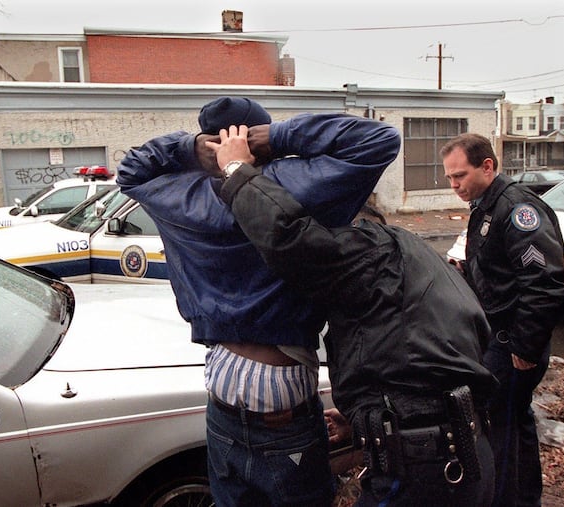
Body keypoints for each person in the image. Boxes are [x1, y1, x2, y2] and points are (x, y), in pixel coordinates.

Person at [116, 97, 400, 507]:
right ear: (259, 139)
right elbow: (378, 139)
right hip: (282, 405)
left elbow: (130, 168)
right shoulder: (298, 184)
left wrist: (189, 147)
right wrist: (279, 136)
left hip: (221, 395)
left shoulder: (181, 195)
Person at [205, 124, 499, 506]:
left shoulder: (366, 248)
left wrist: (236, 171)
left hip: (423, 466)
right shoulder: (408, 252)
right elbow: (421, 351)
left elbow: (290, 238)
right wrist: (370, 416)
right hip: (464, 452)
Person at [440, 133, 564, 507]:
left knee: (502, 434)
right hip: (499, 338)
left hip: (513, 344)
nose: (454, 186)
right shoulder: (485, 205)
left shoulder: (517, 209)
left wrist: (525, 346)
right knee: (515, 425)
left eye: (460, 176)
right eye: (449, 178)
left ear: (488, 166)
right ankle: (525, 498)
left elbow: (544, 283)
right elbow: (499, 270)